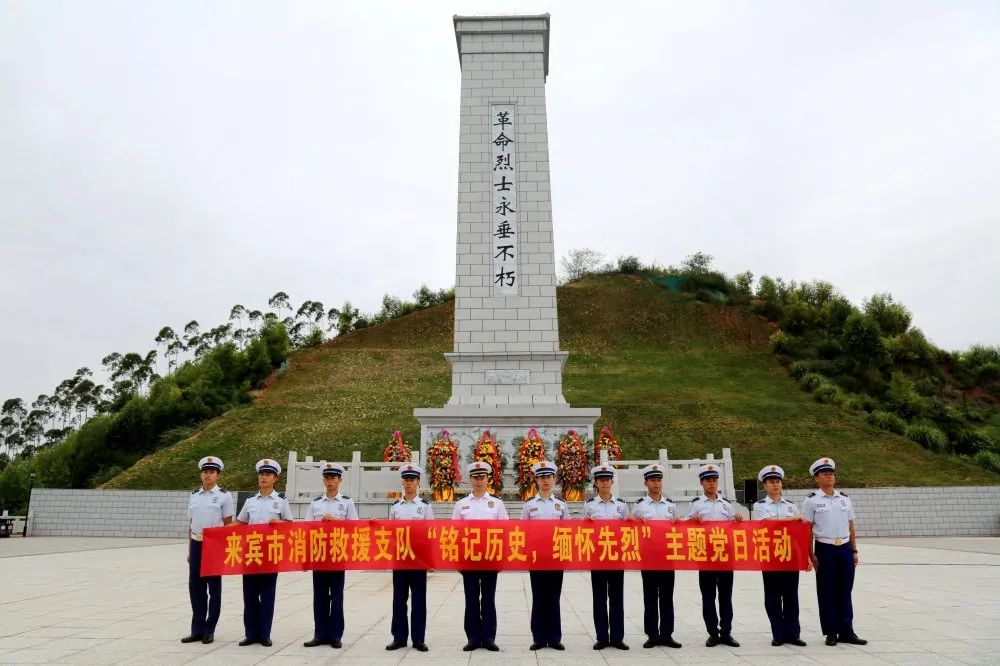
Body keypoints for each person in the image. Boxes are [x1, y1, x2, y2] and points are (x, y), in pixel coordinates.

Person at [801, 457, 867, 647]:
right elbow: (807, 529)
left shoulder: (844, 498)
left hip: (845, 548)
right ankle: (831, 632)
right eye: (824, 474)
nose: (829, 476)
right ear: (817, 478)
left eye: (831, 473)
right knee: (826, 591)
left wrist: (854, 550)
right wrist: (810, 554)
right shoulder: (811, 501)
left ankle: (847, 630)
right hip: (825, 549)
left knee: (845, 590)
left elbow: (851, 526)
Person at [235, 458, 293, 647]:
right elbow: (241, 522)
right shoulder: (250, 501)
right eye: (261, 474)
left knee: (267, 595)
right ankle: (250, 634)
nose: (264, 477)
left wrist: (279, 523)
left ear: (275, 478)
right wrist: (216, 530)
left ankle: (265, 634)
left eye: (268, 474)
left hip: (270, 552)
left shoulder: (281, 501)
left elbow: (289, 525)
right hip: (251, 551)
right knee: (250, 595)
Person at [451, 460, 508, 652]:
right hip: (468, 558)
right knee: (471, 599)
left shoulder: (497, 504)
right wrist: (457, 559)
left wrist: (501, 558)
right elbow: (455, 533)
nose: (478, 481)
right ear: (470, 479)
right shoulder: (461, 504)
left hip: (490, 558)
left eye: (482, 477)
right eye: (475, 477)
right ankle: (473, 638)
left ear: (488, 479)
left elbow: (504, 532)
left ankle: (489, 638)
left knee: (489, 599)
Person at [687, 463, 743, 648]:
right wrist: (693, 521)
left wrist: (737, 520)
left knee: (726, 595)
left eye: (714, 480)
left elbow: (734, 528)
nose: (712, 483)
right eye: (708, 480)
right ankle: (712, 632)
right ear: (702, 483)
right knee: (708, 596)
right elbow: (685, 527)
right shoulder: (695, 504)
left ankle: (726, 632)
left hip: (725, 555)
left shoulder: (726, 504)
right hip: (706, 555)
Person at [303, 462, 358, 649]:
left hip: (337, 554)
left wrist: (337, 521)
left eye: (333, 478)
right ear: (323, 480)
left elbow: (355, 528)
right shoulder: (315, 503)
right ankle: (319, 634)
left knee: (336, 596)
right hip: (319, 555)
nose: (330, 481)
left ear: (340, 480)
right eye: (327, 478)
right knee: (319, 597)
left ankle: (335, 635)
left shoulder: (347, 502)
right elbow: (306, 529)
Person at [752, 465, 808, 647]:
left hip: (790, 556)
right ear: (764, 485)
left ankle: (793, 634)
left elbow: (799, 534)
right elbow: (768, 525)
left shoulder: (791, 506)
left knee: (792, 596)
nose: (775, 485)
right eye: (771, 482)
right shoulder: (759, 506)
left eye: (777, 481)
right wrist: (792, 520)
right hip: (770, 556)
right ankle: (778, 633)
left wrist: (805, 556)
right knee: (773, 597)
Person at [181, 456, 234, 645]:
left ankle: (209, 629)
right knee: (195, 589)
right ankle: (197, 629)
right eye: (205, 471)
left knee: (214, 590)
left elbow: (229, 525)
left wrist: (224, 550)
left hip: (214, 547)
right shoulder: (194, 495)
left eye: (211, 472)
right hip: (196, 544)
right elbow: (191, 524)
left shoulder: (224, 496)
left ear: (218, 475)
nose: (207, 475)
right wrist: (189, 550)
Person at [520, 460, 571, 651]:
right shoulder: (529, 505)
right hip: (536, 558)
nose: (545, 481)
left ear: (554, 479)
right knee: (539, 597)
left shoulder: (561, 505)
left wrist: (566, 554)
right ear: (536, 480)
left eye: (548, 477)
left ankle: (555, 637)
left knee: (554, 597)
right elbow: (522, 531)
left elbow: (568, 530)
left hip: (556, 557)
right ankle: (539, 638)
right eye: (542, 477)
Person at [631, 463, 681, 649]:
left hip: (667, 556)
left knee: (667, 597)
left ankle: (667, 634)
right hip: (649, 557)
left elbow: (678, 530)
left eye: (659, 479)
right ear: (646, 482)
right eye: (653, 480)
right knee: (650, 597)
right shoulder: (639, 506)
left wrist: (678, 523)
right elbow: (632, 529)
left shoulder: (671, 506)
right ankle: (652, 634)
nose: (656, 483)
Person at [385, 463, 434, 653]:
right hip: (400, 559)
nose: (408, 483)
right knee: (399, 600)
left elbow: (430, 534)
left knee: (419, 600)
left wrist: (430, 560)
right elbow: (389, 533)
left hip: (419, 560)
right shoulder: (396, 507)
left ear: (418, 482)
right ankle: (398, 638)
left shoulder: (424, 507)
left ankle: (419, 639)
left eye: (412, 480)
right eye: (406, 480)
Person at [584, 464, 630, 651]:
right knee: (599, 598)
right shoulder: (589, 505)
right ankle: (602, 637)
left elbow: (629, 528)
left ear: (612, 481)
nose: (604, 482)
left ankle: (617, 637)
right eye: (601, 479)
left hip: (616, 557)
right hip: (598, 557)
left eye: (607, 479)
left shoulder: (621, 505)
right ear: (596, 483)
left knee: (617, 598)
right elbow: (582, 530)